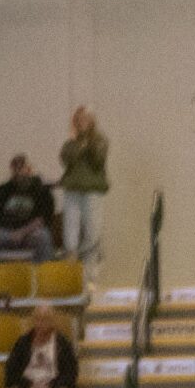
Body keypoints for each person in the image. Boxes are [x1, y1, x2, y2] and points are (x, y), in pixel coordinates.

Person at [0, 305, 82, 388]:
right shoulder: (22, 343)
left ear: (53, 322)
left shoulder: (63, 344)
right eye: (38, 319)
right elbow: (11, 372)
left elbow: (71, 374)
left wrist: (50, 386)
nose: (41, 323)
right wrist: (29, 386)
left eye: (45, 319)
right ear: (33, 321)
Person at [59, 107, 109, 269]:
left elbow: (98, 161)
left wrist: (88, 141)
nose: (81, 123)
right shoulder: (70, 143)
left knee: (92, 231)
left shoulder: (100, 140)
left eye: (85, 119)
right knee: (70, 230)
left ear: (92, 121)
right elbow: (67, 159)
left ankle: (91, 270)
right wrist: (79, 143)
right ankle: (72, 261)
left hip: (92, 190)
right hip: (73, 189)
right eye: (78, 120)